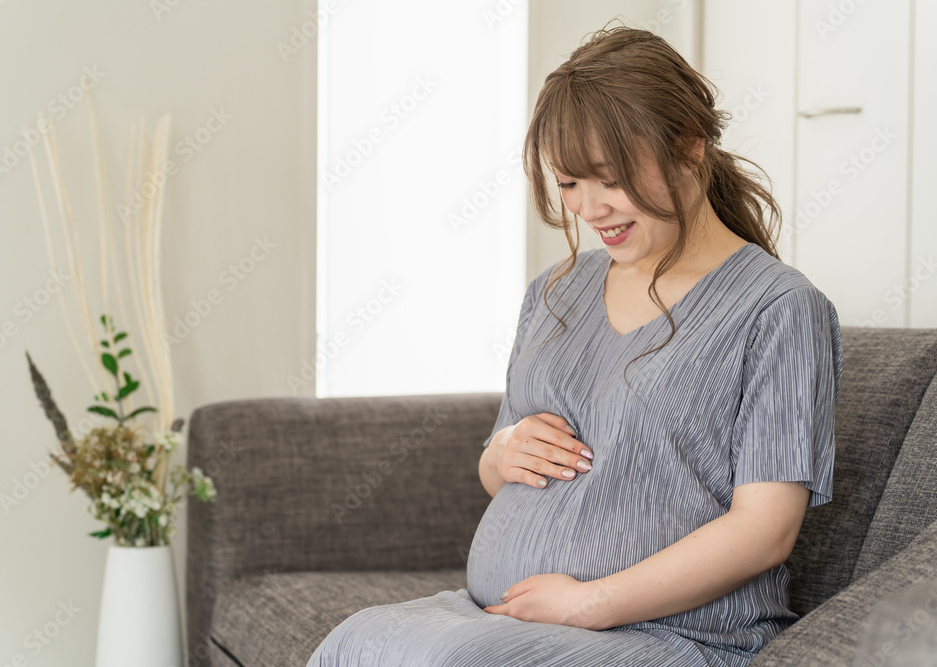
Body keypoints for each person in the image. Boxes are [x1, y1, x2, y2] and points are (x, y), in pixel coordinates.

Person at [307, 21, 842, 667]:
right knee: (352, 641)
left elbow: (765, 530)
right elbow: (496, 472)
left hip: (668, 636)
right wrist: (505, 449)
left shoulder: (779, 309)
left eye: (609, 179)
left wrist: (589, 602)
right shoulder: (554, 292)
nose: (590, 209)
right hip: (499, 617)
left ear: (690, 145)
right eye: (568, 184)